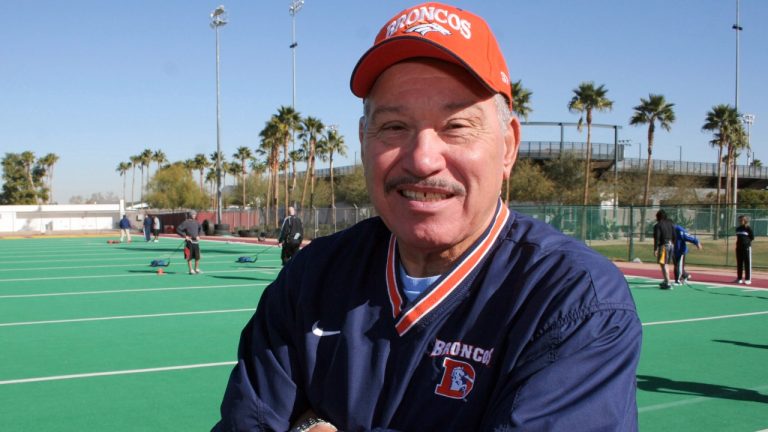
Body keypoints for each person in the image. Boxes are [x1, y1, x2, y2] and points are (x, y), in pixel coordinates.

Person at [212, 3, 641, 431]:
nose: (422, 159)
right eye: (394, 127)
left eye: (456, 126)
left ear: (508, 146)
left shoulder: (574, 302)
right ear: (364, 142)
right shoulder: (311, 278)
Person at [653, 209, 676, 289]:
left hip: (664, 245)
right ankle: (666, 280)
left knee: (663, 264)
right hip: (671, 245)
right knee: (666, 263)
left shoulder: (658, 225)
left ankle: (668, 282)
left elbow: (657, 238)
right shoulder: (671, 223)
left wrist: (655, 249)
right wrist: (673, 243)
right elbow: (674, 235)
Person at [176, 210, 203, 275]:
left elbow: (201, 228)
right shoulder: (186, 222)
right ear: (190, 215)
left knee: (197, 257)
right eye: (193, 214)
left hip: (196, 242)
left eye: (195, 214)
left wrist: (199, 236)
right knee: (189, 257)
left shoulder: (197, 222)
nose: (194, 215)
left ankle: (196, 269)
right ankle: (191, 270)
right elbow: (178, 229)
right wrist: (185, 236)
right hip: (189, 243)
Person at [735, 214, 754, 285]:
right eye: (739, 220)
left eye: (742, 220)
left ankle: (747, 279)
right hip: (738, 248)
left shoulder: (748, 228)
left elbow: (752, 237)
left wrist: (746, 243)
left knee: (747, 263)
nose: (740, 221)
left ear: (745, 220)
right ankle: (739, 278)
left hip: (746, 248)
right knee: (739, 263)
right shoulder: (738, 228)